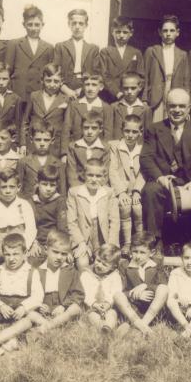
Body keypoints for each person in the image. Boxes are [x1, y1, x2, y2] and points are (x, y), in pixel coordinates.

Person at [140, 89, 191, 243]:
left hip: (189, 183)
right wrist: (160, 178)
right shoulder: (154, 129)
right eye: (173, 106)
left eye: (182, 106)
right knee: (150, 190)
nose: (177, 110)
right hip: (164, 184)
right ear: (166, 107)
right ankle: (154, 242)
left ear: (188, 108)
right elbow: (146, 158)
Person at [0, 233, 44, 357]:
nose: (11, 259)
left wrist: (24, 307)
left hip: (22, 314)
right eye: (7, 254)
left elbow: (38, 296)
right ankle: (0, 336)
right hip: (3, 312)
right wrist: (0, 306)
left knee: (29, 319)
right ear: (3, 254)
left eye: (16, 254)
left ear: (25, 253)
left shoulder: (31, 272)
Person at [29, 230, 84, 335]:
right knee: (30, 314)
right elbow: (31, 293)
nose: (59, 257)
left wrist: (64, 306)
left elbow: (78, 294)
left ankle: (48, 326)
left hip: (62, 309)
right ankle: (52, 325)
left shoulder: (70, 271)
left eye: (63, 254)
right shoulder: (37, 271)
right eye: (55, 252)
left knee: (75, 309)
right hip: (43, 310)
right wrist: (39, 305)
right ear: (46, 250)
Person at [67, 159, 119, 269]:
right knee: (82, 264)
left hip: (102, 239)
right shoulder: (74, 193)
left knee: (107, 264)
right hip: (83, 238)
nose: (94, 179)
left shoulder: (108, 193)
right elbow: (71, 222)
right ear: (83, 175)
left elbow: (114, 221)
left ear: (104, 177)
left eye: (98, 176)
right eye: (90, 175)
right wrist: (81, 243)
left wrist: (110, 245)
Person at [114, 232, 168, 335]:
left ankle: (142, 324)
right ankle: (141, 326)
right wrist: (133, 294)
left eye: (142, 252)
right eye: (135, 251)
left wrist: (145, 285)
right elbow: (122, 290)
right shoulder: (125, 265)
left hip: (152, 307)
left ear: (151, 253)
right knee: (117, 295)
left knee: (164, 289)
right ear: (130, 251)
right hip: (134, 307)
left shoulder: (156, 263)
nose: (138, 256)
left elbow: (163, 284)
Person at [0, 169, 37, 277]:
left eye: (12, 187)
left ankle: (20, 284)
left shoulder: (24, 205)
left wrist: (25, 246)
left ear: (18, 187)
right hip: (1, 243)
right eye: (4, 187)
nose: (8, 191)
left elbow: (31, 229)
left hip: (20, 242)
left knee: (25, 257)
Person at [108, 114, 145, 255]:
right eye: (127, 131)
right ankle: (127, 243)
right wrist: (121, 192)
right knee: (124, 207)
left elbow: (144, 172)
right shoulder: (114, 147)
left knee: (137, 207)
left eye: (134, 132)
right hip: (121, 189)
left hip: (136, 188)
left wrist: (137, 191)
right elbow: (112, 170)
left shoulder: (142, 149)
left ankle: (140, 242)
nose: (130, 135)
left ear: (140, 132)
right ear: (122, 130)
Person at [5, 5, 55, 108]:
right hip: (19, 93)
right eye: (30, 24)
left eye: (37, 25)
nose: (33, 28)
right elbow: (7, 71)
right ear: (24, 24)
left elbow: (50, 74)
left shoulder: (49, 47)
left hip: (39, 94)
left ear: (42, 25)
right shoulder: (14, 44)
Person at [143, 15, 191, 122]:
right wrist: (144, 98)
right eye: (165, 31)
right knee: (156, 122)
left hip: (175, 90)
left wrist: (186, 101)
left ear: (177, 32)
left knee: (173, 122)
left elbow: (186, 81)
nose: (168, 34)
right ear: (160, 32)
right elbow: (145, 76)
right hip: (156, 93)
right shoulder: (152, 51)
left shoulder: (182, 54)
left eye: (172, 30)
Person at [19, 63, 69, 159]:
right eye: (48, 81)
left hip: (54, 146)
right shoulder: (34, 96)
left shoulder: (65, 99)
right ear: (42, 80)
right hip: (34, 144)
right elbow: (25, 121)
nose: (52, 85)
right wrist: (23, 144)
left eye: (56, 81)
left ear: (61, 82)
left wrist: (64, 152)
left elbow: (66, 128)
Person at [54, 8, 101, 99]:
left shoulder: (93, 49)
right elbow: (55, 72)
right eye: (74, 23)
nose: (77, 26)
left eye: (81, 23)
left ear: (86, 25)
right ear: (69, 24)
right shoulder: (60, 46)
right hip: (65, 86)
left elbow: (95, 73)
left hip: (86, 87)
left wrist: (83, 89)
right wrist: (65, 89)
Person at [99, 16, 145, 103]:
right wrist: (117, 92)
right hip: (110, 95)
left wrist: (133, 92)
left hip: (130, 94)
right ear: (112, 32)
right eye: (118, 32)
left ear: (131, 33)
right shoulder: (105, 52)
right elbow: (104, 75)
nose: (121, 35)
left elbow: (141, 76)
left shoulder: (136, 52)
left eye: (125, 32)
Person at [61, 73, 114, 151]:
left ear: (101, 87)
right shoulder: (74, 105)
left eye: (94, 85)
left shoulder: (106, 108)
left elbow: (108, 134)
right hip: (76, 149)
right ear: (83, 86)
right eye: (87, 84)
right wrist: (64, 153)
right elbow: (66, 130)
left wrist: (105, 151)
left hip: (97, 151)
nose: (90, 88)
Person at [80, 244, 124, 333]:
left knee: (112, 314)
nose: (99, 265)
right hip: (91, 307)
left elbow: (115, 292)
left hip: (108, 307)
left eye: (104, 264)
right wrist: (94, 304)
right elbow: (85, 293)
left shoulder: (115, 276)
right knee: (92, 316)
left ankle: (108, 327)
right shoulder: (86, 274)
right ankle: (102, 328)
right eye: (98, 260)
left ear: (113, 266)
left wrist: (108, 304)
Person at [28, 165, 67, 267]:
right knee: (31, 260)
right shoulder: (31, 201)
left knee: (65, 265)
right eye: (44, 184)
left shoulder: (59, 201)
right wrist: (33, 243)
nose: (48, 189)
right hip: (35, 242)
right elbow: (28, 226)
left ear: (57, 185)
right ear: (37, 183)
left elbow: (62, 228)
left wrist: (63, 248)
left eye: (52, 185)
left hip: (54, 243)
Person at [17, 118, 65, 198]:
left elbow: (62, 193)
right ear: (31, 139)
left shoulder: (59, 165)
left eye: (46, 140)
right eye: (38, 140)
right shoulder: (23, 162)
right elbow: (18, 189)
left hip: (50, 204)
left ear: (52, 140)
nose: (42, 143)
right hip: (28, 203)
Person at [65, 110, 111, 189]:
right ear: (81, 128)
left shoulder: (105, 148)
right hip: (78, 186)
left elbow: (105, 173)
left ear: (100, 129)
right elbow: (71, 172)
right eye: (86, 128)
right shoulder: (73, 147)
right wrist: (79, 190)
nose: (89, 131)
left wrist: (97, 188)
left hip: (98, 186)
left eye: (94, 128)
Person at [110, 72, 152, 140]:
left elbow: (148, 135)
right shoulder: (114, 107)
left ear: (140, 87)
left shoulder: (145, 109)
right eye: (126, 88)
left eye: (133, 88)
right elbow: (109, 131)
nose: (129, 91)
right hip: (117, 145)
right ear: (121, 88)